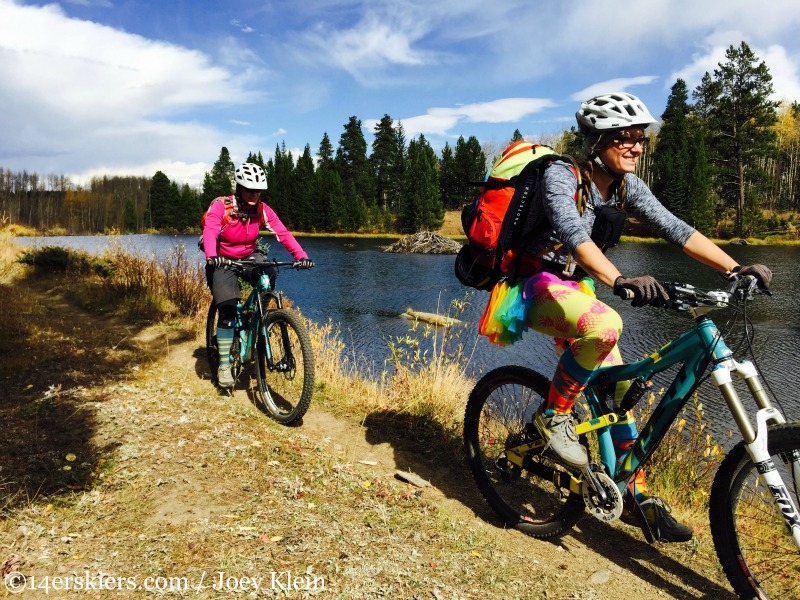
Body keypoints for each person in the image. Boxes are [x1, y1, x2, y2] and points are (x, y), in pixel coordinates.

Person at [480, 92, 772, 542]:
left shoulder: (625, 186)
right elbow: (572, 232)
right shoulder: (562, 176)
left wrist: (735, 267)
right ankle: (553, 419)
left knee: (618, 393)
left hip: (576, 288)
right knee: (606, 324)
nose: (636, 146)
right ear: (598, 140)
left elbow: (676, 228)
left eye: (641, 138)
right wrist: (620, 280)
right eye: (625, 137)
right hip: (531, 286)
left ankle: (635, 493)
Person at [203, 162, 313, 389]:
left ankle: (257, 317)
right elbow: (211, 231)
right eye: (250, 189)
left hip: (249, 256)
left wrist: (301, 256)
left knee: (269, 273)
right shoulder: (221, 207)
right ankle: (224, 364)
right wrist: (213, 256)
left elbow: (282, 233)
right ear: (239, 187)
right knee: (228, 307)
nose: (254, 194)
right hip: (223, 259)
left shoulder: (262, 209)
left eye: (258, 190)